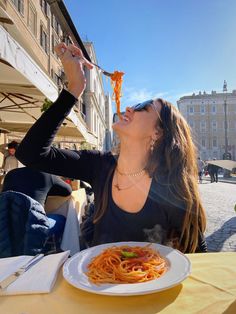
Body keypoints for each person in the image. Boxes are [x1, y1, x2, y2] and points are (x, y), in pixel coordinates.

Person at [16, 43, 207, 253]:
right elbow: (30, 153)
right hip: (98, 280)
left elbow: (196, 252)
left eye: (143, 106)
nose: (129, 107)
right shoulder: (99, 165)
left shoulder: (171, 187)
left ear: (158, 133)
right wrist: (74, 90)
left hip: (152, 282)